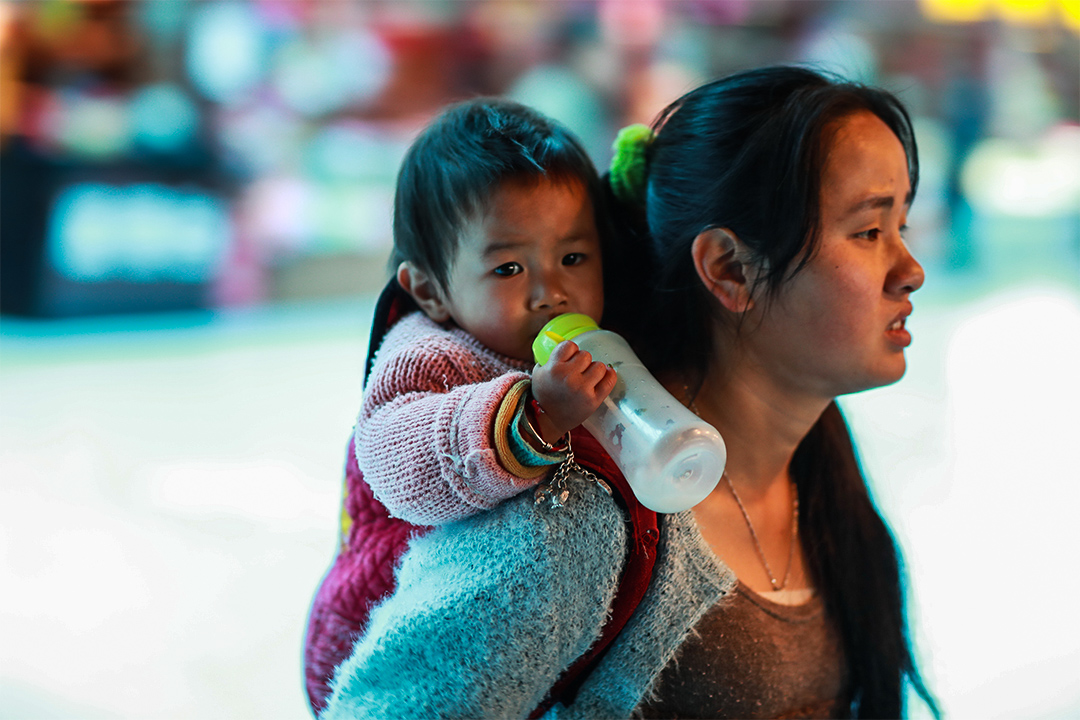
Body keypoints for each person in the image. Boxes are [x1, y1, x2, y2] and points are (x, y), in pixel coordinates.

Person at [319, 66, 938, 720]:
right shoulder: (577, 516)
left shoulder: (818, 479)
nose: (912, 269)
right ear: (728, 269)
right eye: (869, 232)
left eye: (902, 223)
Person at [302, 97, 622, 713]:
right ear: (430, 290)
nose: (549, 291)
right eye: (507, 267)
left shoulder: (585, 344)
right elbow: (393, 459)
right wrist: (535, 416)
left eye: (573, 258)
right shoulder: (430, 355)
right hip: (383, 636)